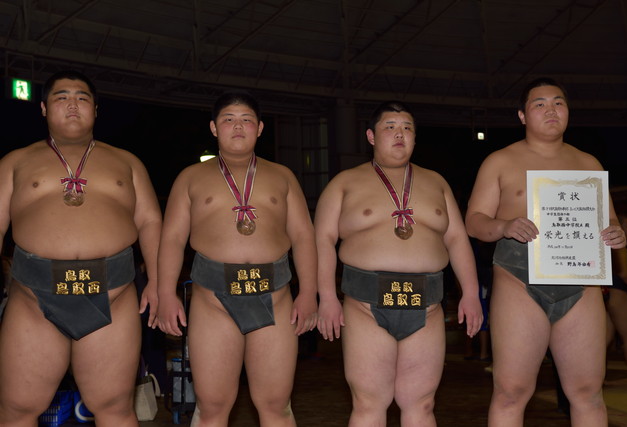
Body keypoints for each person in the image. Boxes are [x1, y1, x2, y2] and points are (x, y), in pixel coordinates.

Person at [0, 70, 162, 426]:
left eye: (82, 98)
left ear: (96, 110)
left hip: (113, 295)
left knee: (115, 408)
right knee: (17, 409)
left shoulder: (128, 162)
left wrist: (158, 282)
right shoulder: (15, 162)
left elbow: (150, 221)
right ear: (44, 108)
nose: (72, 104)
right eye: (62, 97)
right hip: (33, 298)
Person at [465, 77, 627, 427]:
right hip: (518, 281)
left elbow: (609, 219)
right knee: (510, 392)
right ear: (522, 116)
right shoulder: (500, 161)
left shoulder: (589, 163)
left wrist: (616, 233)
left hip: (581, 283)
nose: (551, 110)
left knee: (587, 392)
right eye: (540, 104)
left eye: (558, 103)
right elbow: (474, 221)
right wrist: (504, 226)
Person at [315, 101, 483, 425]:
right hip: (365, 306)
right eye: (390, 127)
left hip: (428, 306)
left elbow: (457, 239)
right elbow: (322, 240)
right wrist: (327, 297)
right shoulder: (344, 183)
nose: (399, 134)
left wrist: (471, 293)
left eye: (407, 128)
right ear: (371, 136)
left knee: (422, 403)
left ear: (415, 138)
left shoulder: (437, 183)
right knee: (368, 403)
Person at [156, 92, 317, 426]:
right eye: (228, 119)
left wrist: (309, 293)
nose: (238, 126)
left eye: (246, 120)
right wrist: (165, 293)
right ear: (214, 128)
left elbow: (303, 236)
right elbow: (172, 238)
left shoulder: (283, 176)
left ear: (260, 128)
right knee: (211, 406)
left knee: (276, 404)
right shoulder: (190, 177)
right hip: (212, 302)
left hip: (276, 299)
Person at [605, 212, 627, 385]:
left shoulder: (614, 244)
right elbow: (624, 274)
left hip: (608, 294)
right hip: (617, 293)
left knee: (604, 341)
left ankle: (598, 378)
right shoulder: (617, 245)